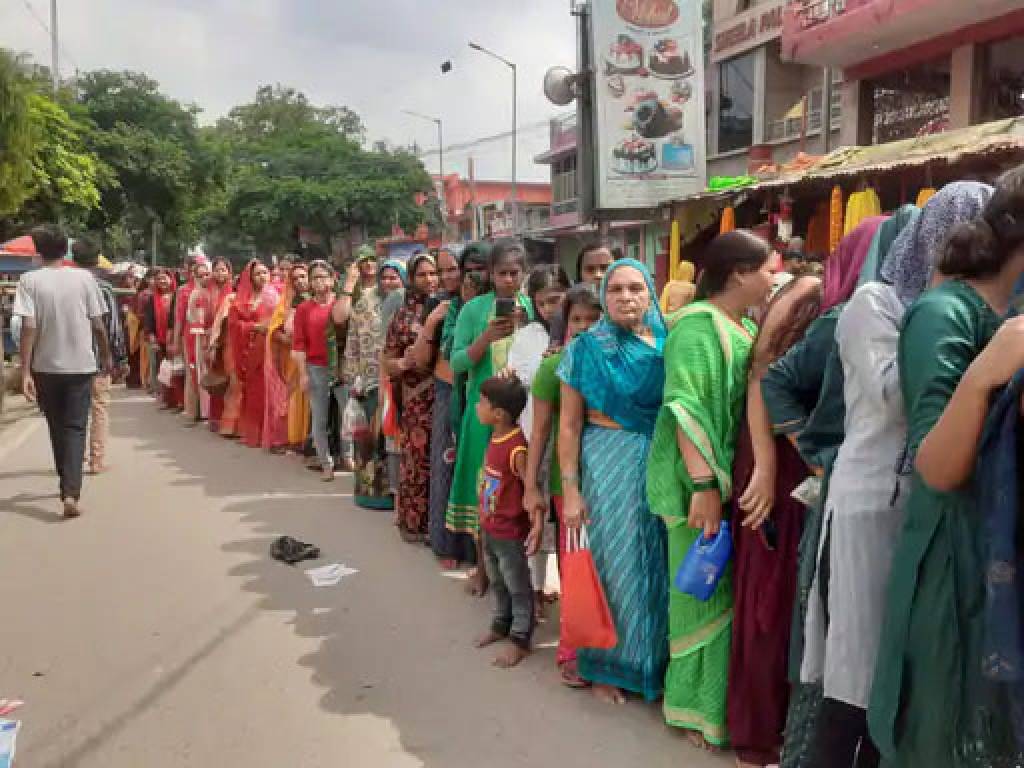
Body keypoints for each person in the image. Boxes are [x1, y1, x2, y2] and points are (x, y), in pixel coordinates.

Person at [865, 178, 1019, 768]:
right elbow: (936, 464)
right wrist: (984, 375)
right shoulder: (945, 313)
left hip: (1006, 551)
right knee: (947, 732)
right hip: (957, 561)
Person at [646, 230, 776, 749]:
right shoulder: (697, 327)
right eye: (768, 269)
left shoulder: (738, 324)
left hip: (728, 481)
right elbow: (686, 406)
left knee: (721, 594)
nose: (773, 279)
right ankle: (692, 711)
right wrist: (703, 484)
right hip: (698, 484)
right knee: (699, 592)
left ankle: (716, 708)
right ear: (739, 273)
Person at [558, 258, 669, 705]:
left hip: (661, 459)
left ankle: (653, 667)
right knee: (615, 562)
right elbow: (568, 425)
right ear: (603, 297)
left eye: (636, 288)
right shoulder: (587, 348)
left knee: (657, 562)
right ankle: (606, 667)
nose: (627, 297)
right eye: (616, 289)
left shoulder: (668, 342)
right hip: (607, 457)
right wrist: (570, 488)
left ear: (650, 293)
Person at [524, 283, 602, 687]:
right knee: (575, 565)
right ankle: (571, 650)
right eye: (576, 320)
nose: (585, 328)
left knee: (606, 565)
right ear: (564, 324)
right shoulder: (553, 368)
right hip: (564, 481)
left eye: (593, 318)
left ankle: (608, 649)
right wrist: (530, 488)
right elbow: (539, 433)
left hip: (613, 476)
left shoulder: (621, 361)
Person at [448, 241, 533, 596]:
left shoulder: (529, 306)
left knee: (519, 497)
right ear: (491, 275)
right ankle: (483, 570)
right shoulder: (473, 310)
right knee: (486, 494)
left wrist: (526, 327)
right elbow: (456, 362)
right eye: (502, 273)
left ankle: (524, 581)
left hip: (524, 419)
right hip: (482, 418)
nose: (509, 281)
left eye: (515, 273)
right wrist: (486, 337)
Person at [14, 225, 112, 518]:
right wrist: (106, 356)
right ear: (65, 250)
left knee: (57, 428)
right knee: (75, 427)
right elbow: (98, 325)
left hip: (46, 367)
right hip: (81, 365)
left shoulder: (29, 281)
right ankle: (70, 492)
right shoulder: (85, 279)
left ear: (38, 251)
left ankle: (66, 485)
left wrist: (25, 370)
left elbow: (28, 327)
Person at [473, 375, 540, 668]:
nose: (477, 407)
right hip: (490, 528)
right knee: (498, 581)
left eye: (482, 403)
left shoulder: (517, 448)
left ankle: (520, 638)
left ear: (498, 414)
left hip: (510, 533)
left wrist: (536, 524)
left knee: (517, 586)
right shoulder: (495, 437)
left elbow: (531, 489)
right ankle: (500, 624)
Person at [383, 252, 440, 540]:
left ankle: (442, 530)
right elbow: (387, 362)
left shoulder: (450, 308)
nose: (430, 280)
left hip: (445, 395)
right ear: (411, 279)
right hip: (416, 399)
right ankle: (415, 524)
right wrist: (404, 364)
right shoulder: (402, 316)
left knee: (444, 460)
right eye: (422, 275)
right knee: (417, 462)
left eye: (434, 273)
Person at [343, 258, 406, 508]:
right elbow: (353, 339)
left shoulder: (407, 302)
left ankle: (395, 493)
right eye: (385, 277)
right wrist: (352, 375)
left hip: (398, 380)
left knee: (391, 438)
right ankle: (370, 493)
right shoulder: (365, 302)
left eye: (394, 277)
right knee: (369, 436)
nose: (389, 282)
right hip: (369, 380)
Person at [71, 237, 127, 475]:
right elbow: (112, 326)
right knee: (99, 408)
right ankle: (96, 460)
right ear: (97, 259)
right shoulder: (103, 288)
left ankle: (75, 458)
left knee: (74, 411)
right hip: (97, 358)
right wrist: (120, 358)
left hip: (68, 360)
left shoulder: (65, 286)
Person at [293, 261, 340, 481]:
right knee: (319, 418)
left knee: (347, 412)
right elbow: (299, 343)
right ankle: (325, 463)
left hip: (341, 367)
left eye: (324, 276)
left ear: (333, 279)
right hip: (316, 367)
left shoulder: (341, 303)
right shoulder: (304, 308)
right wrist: (302, 374)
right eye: (315, 278)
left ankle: (348, 456)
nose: (320, 281)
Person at [229, 260, 280, 449]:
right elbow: (233, 325)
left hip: (273, 348)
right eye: (257, 273)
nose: (262, 276)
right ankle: (255, 434)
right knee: (255, 392)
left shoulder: (277, 296)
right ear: (250, 277)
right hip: (251, 351)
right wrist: (255, 326)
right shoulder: (242, 300)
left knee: (274, 392)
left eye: (265, 272)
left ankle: (274, 434)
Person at [265, 263, 310, 452]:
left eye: (303, 276)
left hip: (318, 357)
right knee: (295, 396)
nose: (300, 281)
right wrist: (293, 343)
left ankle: (310, 438)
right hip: (293, 359)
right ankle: (296, 438)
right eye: (295, 278)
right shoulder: (285, 302)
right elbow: (274, 331)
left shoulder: (323, 299)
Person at [203, 258, 234, 434]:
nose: (220, 273)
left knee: (230, 380)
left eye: (224, 270)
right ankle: (215, 417)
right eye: (217, 270)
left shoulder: (235, 290)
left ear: (229, 272)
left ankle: (228, 418)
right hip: (212, 339)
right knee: (215, 377)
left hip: (229, 339)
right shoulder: (208, 292)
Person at [182, 258, 213, 424]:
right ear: (194, 277)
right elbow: (195, 319)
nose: (205, 278)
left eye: (207, 274)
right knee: (197, 373)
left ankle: (205, 411)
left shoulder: (210, 292)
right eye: (201, 275)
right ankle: (197, 411)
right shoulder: (195, 294)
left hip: (206, 336)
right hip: (197, 338)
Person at [144, 269, 175, 408]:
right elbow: (149, 320)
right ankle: (163, 397)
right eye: (159, 279)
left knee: (176, 369)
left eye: (165, 278)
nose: (162, 281)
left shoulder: (177, 296)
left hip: (174, 339)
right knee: (160, 369)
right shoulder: (152, 298)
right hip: (158, 340)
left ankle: (175, 399)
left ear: (171, 279)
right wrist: (152, 338)